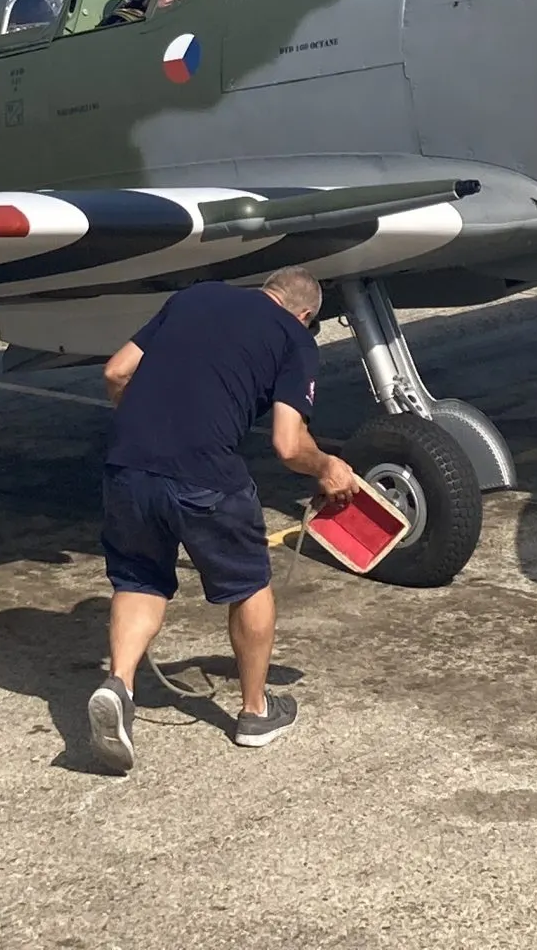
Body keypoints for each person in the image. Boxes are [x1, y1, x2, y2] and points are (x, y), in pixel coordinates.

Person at [87, 267, 359, 772]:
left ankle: (119, 685)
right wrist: (328, 467)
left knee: (139, 580)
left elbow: (116, 372)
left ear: (267, 290)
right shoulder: (295, 338)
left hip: (129, 465)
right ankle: (256, 712)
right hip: (205, 474)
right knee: (249, 585)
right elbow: (287, 443)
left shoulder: (197, 296)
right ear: (305, 314)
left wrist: (145, 430)